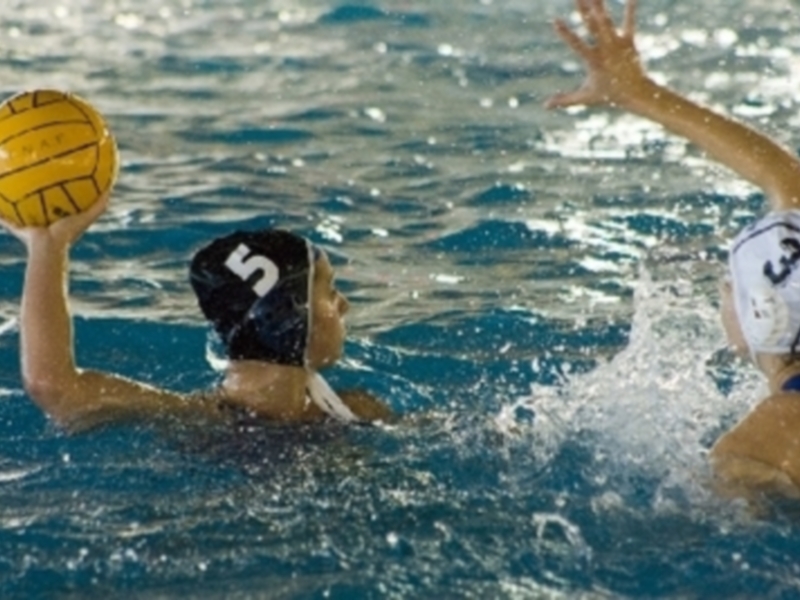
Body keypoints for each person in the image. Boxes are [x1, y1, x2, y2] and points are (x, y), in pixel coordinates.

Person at [548, 0, 800, 500]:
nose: (722, 295)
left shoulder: (767, 438)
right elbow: (785, 179)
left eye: (728, 286)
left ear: (759, 316)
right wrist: (640, 94)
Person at [3, 193, 393, 432]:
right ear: (287, 312)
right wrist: (48, 246)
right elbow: (52, 385)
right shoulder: (195, 421)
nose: (344, 304)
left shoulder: (357, 409)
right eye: (331, 290)